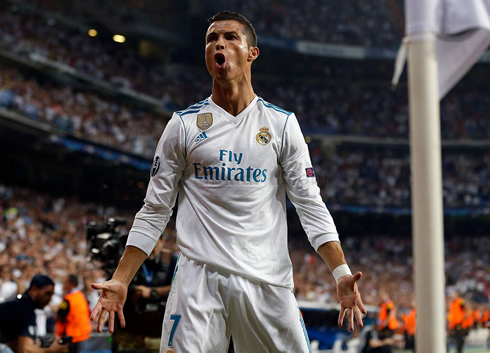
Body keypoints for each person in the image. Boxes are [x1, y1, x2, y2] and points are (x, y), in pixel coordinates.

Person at [90, 10, 366, 352]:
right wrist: (120, 280)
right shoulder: (183, 126)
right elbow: (154, 210)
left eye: (230, 37)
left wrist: (341, 274)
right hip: (198, 282)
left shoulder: (281, 125)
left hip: (267, 282)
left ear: (252, 52)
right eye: (211, 39)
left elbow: (310, 206)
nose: (218, 43)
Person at [0, 274, 67, 353]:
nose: (50, 298)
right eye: (47, 293)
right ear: (34, 290)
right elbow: (25, 350)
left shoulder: (20, 303)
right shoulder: (25, 308)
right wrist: (50, 350)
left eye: (51, 295)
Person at [55, 275, 91, 353]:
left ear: (71, 284)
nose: (64, 284)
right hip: (83, 333)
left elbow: (60, 316)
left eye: (66, 282)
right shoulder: (81, 295)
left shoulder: (69, 299)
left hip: (71, 335)